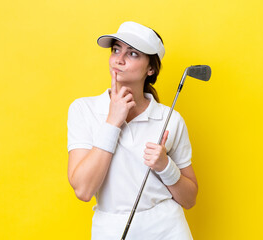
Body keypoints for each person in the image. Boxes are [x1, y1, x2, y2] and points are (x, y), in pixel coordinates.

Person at [67, 21, 198, 240]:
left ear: (151, 69)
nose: (119, 59)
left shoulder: (170, 119)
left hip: (168, 229)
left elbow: (190, 199)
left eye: (133, 53)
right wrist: (112, 122)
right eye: (116, 49)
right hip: (111, 229)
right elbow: (83, 190)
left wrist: (165, 166)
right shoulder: (83, 109)